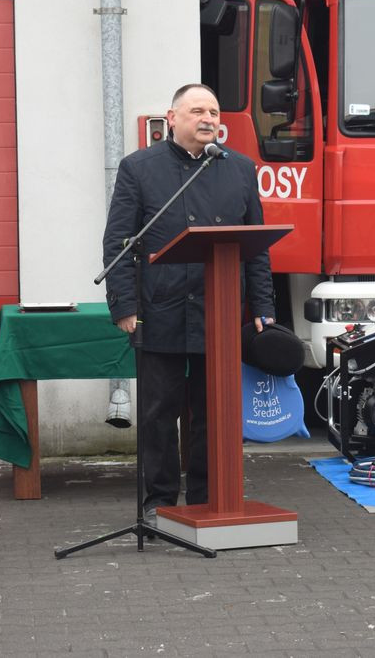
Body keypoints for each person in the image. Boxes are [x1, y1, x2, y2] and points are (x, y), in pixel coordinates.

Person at [101, 83, 275, 523]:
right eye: (198, 110)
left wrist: (262, 306)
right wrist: (124, 305)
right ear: (172, 117)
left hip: (217, 311)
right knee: (159, 413)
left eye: (214, 112)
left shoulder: (239, 169)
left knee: (212, 413)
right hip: (160, 307)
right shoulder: (139, 168)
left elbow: (255, 246)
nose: (208, 119)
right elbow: (119, 241)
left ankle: (207, 498)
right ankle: (157, 503)